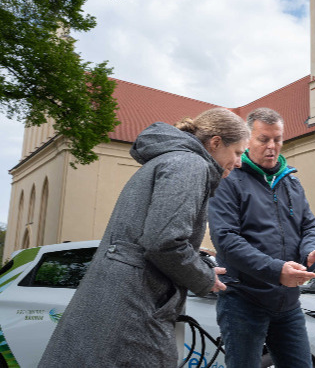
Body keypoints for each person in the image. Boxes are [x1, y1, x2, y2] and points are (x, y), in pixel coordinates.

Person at [40, 108, 249, 368]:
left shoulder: (169, 160)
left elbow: (153, 236)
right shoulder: (191, 164)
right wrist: (204, 277)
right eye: (238, 152)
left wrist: (198, 263)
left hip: (121, 300)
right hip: (137, 306)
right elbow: (165, 241)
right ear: (216, 142)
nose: (239, 162)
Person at [208, 107, 315, 368]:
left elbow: (310, 227)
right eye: (264, 139)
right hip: (243, 301)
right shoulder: (228, 178)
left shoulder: (291, 182)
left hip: (288, 303)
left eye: (278, 139)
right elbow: (226, 239)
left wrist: (312, 250)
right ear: (248, 139)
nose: (272, 146)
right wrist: (276, 270)